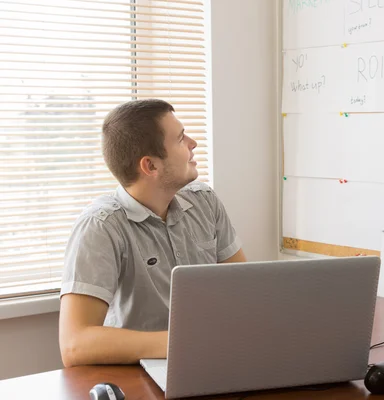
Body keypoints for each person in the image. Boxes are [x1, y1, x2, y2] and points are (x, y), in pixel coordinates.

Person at [58, 99, 246, 367]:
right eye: (181, 139)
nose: (193, 143)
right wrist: (186, 342)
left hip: (212, 361)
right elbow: (75, 345)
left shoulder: (205, 201)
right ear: (151, 166)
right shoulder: (101, 227)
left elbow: (244, 291)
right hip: (139, 373)